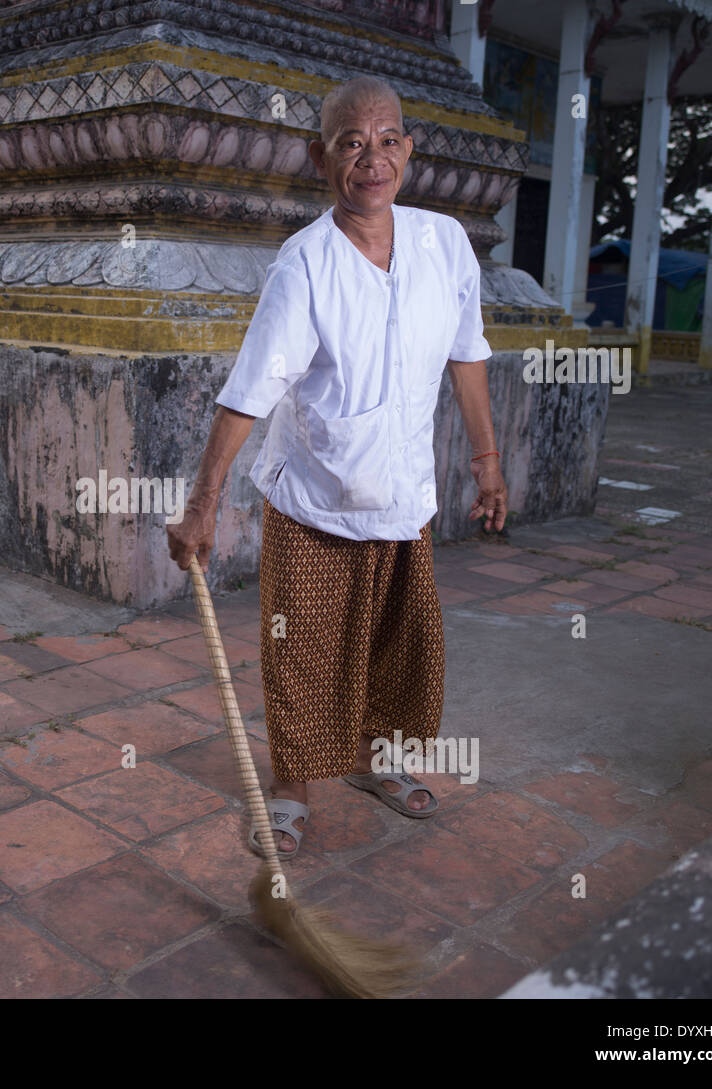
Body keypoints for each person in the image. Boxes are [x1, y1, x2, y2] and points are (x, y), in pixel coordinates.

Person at [167, 76, 508, 857]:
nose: (372, 158)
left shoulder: (443, 243)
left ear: (409, 151)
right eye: (352, 143)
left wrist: (487, 461)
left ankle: (374, 761)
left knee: (398, 641)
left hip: (404, 495)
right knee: (307, 646)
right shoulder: (305, 265)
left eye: (388, 139)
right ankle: (291, 786)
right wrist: (203, 503)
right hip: (316, 497)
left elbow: (468, 355)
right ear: (321, 158)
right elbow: (251, 388)